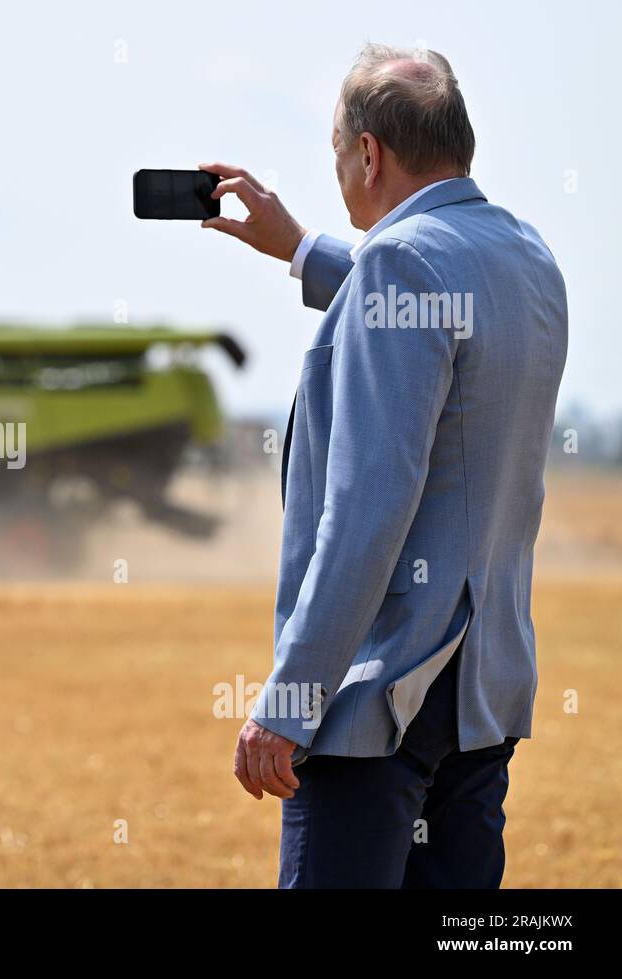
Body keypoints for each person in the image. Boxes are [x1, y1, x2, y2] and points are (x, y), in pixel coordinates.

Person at [204, 43, 568, 888]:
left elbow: (367, 513)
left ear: (369, 153)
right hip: (481, 691)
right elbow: (439, 308)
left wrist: (291, 698)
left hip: (383, 704)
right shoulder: (527, 254)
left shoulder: (397, 267)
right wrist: (298, 246)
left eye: (338, 152)